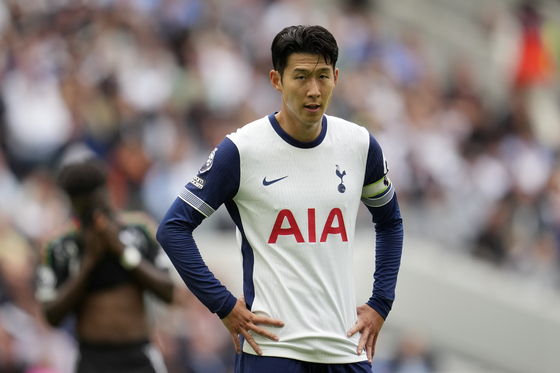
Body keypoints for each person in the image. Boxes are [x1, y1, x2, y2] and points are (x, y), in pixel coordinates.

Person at [156, 24, 404, 373]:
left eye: (322, 76)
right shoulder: (242, 150)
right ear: (276, 80)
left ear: (336, 77)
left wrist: (381, 303)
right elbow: (173, 229)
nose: (313, 90)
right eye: (300, 77)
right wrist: (223, 305)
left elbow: (390, 221)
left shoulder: (360, 145)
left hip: (344, 348)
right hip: (272, 351)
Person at [35, 158, 175, 373]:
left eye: (99, 204)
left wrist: (123, 252)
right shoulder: (58, 246)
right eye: (86, 209)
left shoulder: (138, 230)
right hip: (93, 359)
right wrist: (88, 264)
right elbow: (51, 315)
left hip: (139, 355)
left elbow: (168, 290)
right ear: (72, 205)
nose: (96, 215)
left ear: (109, 193)